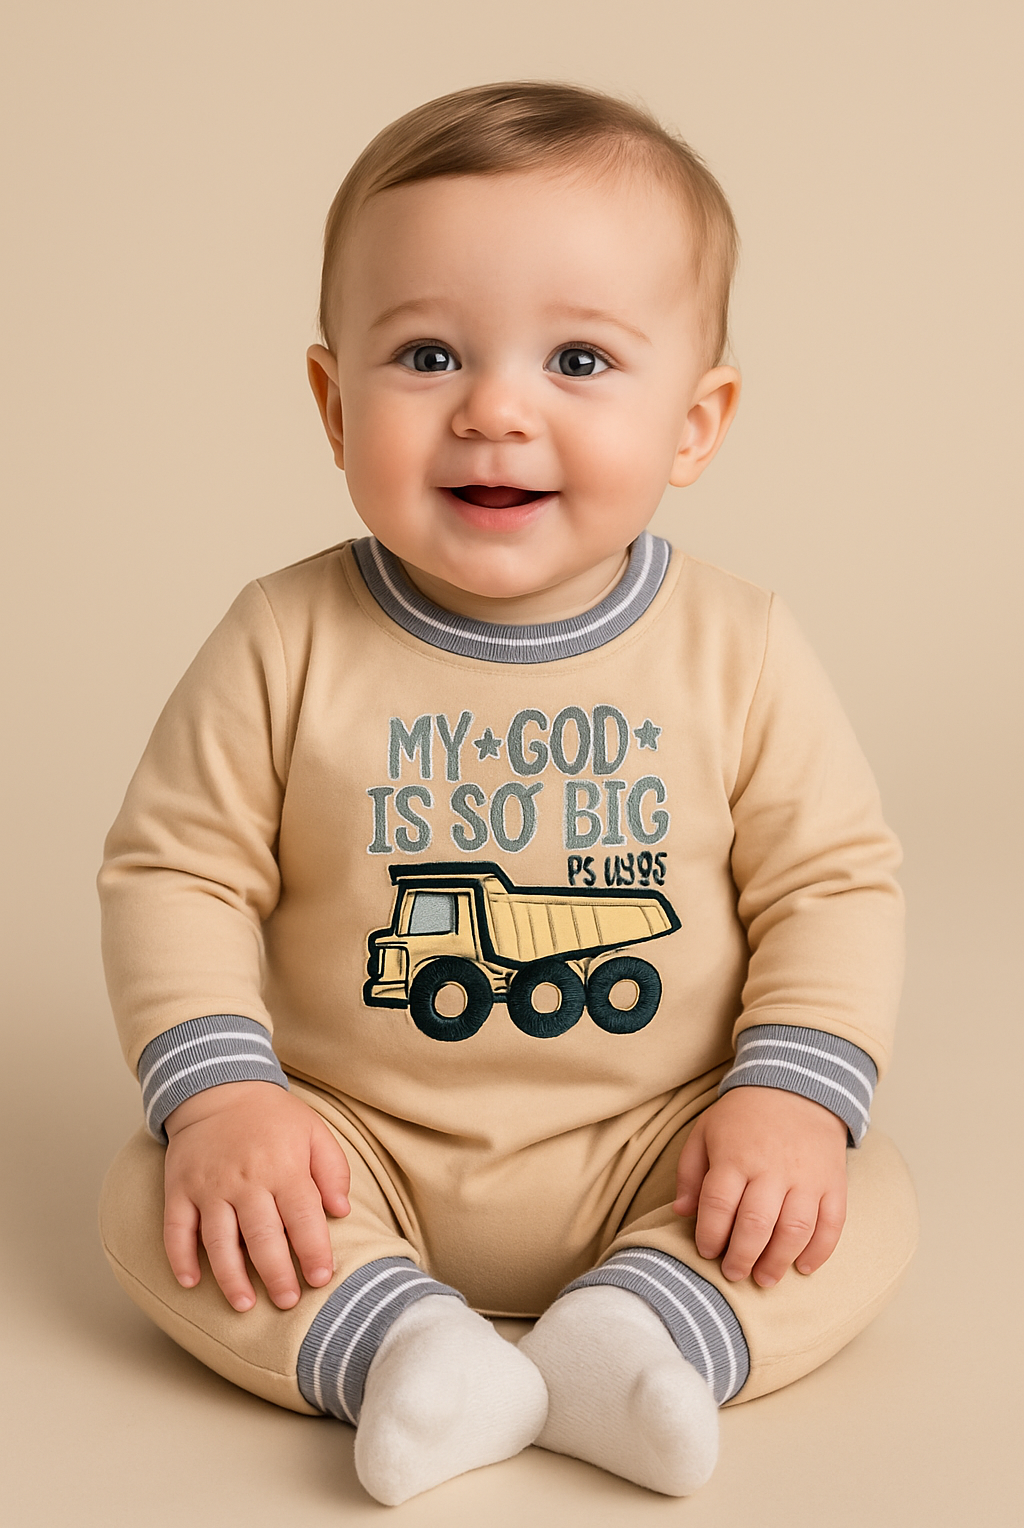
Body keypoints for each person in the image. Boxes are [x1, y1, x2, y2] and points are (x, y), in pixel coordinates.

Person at [98, 80, 918, 1507]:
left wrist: (788, 1098)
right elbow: (179, 872)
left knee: (869, 1201)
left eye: (582, 362)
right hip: (348, 1135)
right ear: (330, 400)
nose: (493, 410)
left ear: (696, 423)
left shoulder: (740, 649)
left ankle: (638, 1331)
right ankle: (403, 1345)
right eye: (426, 353)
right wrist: (227, 1098)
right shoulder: (282, 638)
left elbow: (831, 882)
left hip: (665, 1133)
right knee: (144, 1202)